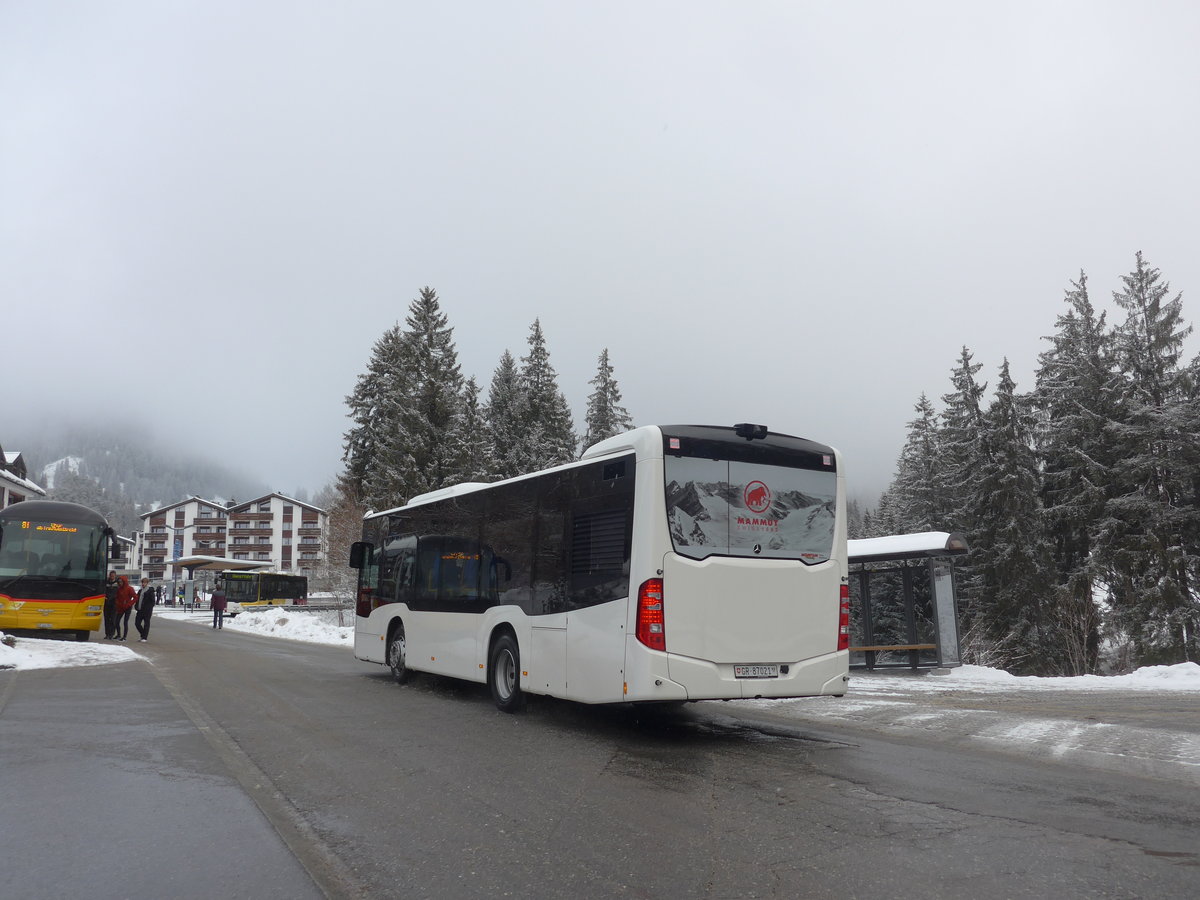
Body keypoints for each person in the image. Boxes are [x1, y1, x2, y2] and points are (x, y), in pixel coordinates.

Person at [114, 575, 137, 641]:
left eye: (121, 582)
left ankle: (124, 637)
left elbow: (135, 597)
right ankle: (118, 635)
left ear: (124, 582)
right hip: (121, 607)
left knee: (125, 622)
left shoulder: (130, 588)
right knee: (117, 621)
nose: (120, 583)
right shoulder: (119, 589)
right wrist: (117, 603)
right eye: (119, 582)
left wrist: (129, 604)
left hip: (127, 607)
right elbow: (117, 597)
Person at [134, 577, 156, 642]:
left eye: (145, 582)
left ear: (147, 583)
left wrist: (149, 608)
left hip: (147, 610)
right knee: (137, 623)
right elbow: (137, 599)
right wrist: (136, 606)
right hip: (140, 610)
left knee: (146, 623)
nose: (143, 584)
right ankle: (143, 634)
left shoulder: (150, 591)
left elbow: (153, 601)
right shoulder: (140, 591)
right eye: (142, 582)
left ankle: (144, 637)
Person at [103, 571, 120, 639]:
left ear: (115, 576)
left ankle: (112, 634)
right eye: (111, 575)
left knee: (113, 619)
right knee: (106, 619)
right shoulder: (106, 582)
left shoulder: (117, 583)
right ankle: (107, 634)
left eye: (113, 575)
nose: (112, 577)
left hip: (114, 604)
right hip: (106, 603)